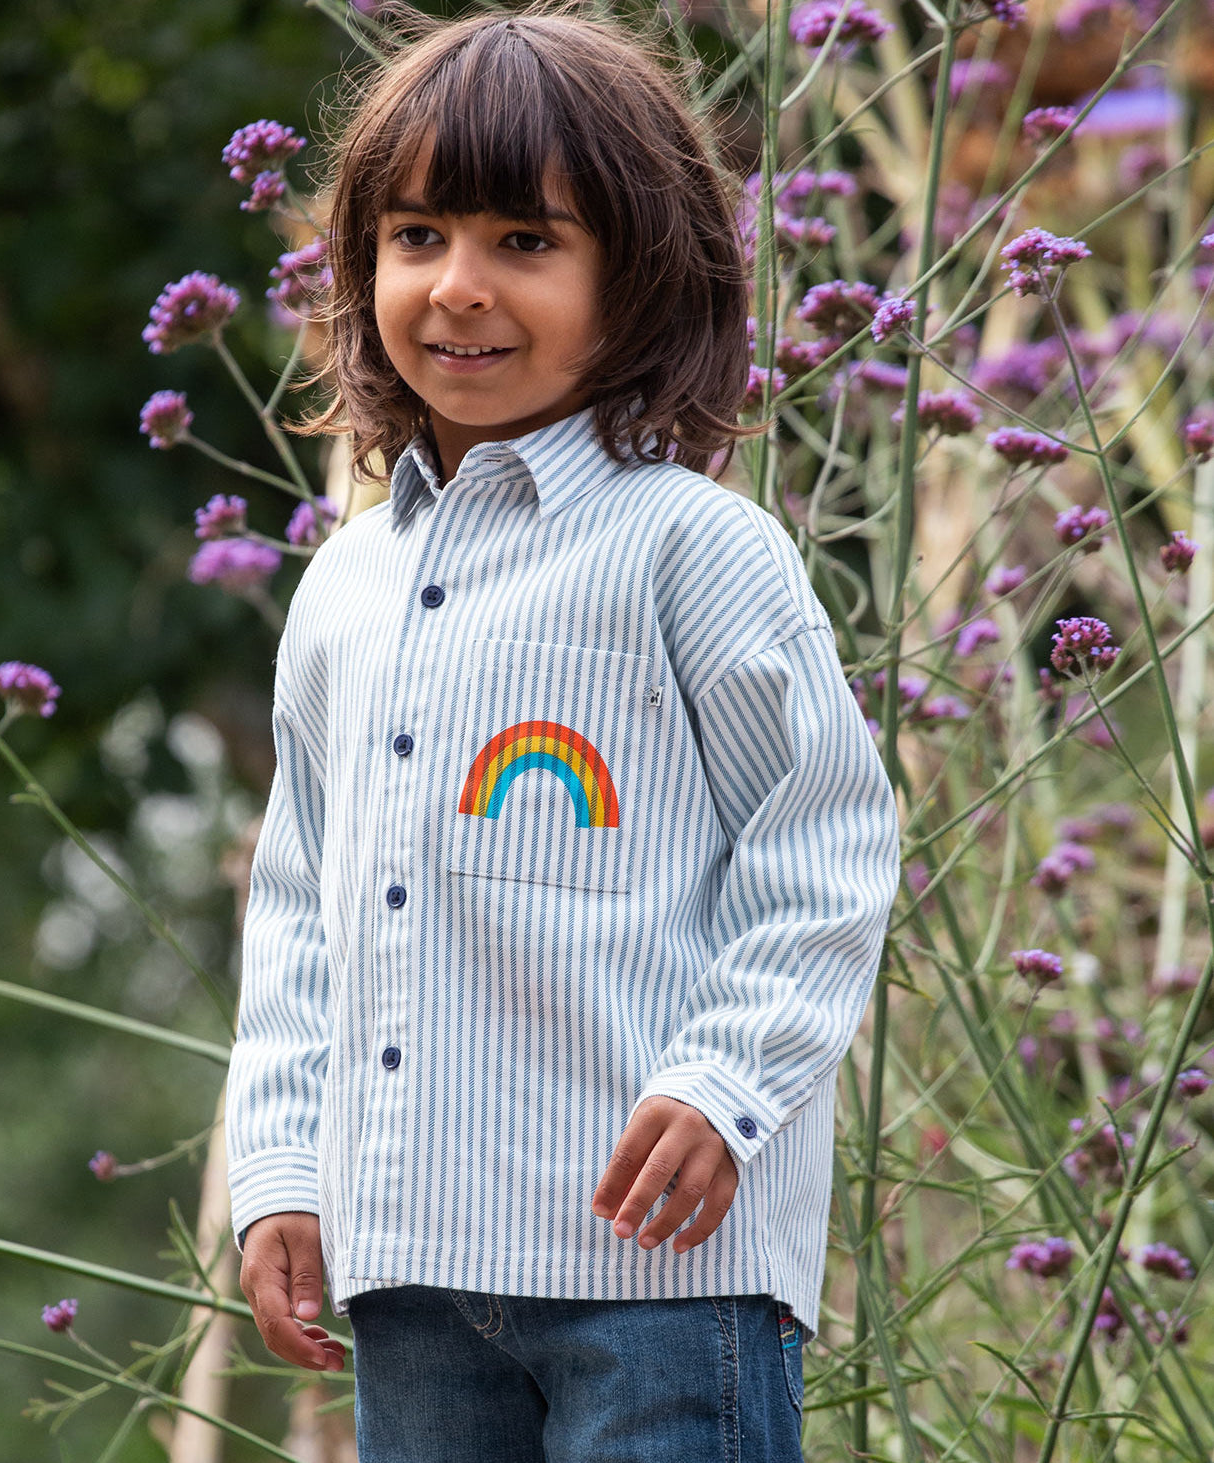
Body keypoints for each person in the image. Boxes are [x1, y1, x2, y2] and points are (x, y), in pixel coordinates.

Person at [226, 6, 900, 1460]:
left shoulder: (691, 553)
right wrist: (280, 1162)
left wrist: (725, 1082)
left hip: (658, 1279)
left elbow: (827, 843)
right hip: (407, 1272)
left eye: (523, 242)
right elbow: (298, 907)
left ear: (636, 278)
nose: (457, 288)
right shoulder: (347, 581)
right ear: (360, 268)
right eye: (414, 237)